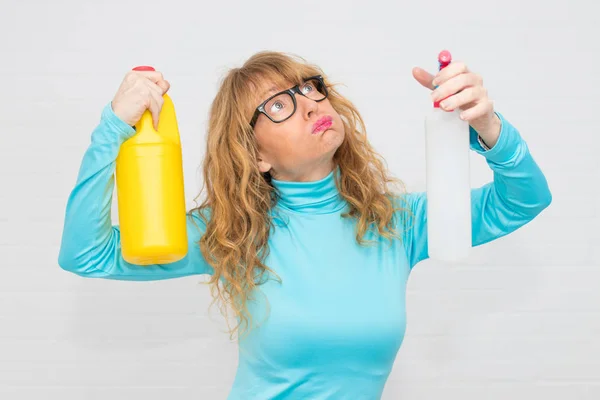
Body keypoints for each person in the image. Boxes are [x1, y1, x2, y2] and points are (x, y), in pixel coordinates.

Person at [57, 51, 552, 399]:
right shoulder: (231, 236)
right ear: (254, 155)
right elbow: (87, 253)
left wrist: (486, 125)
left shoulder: (397, 222)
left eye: (310, 88)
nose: (312, 103)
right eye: (278, 104)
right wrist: (114, 128)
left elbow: (525, 199)